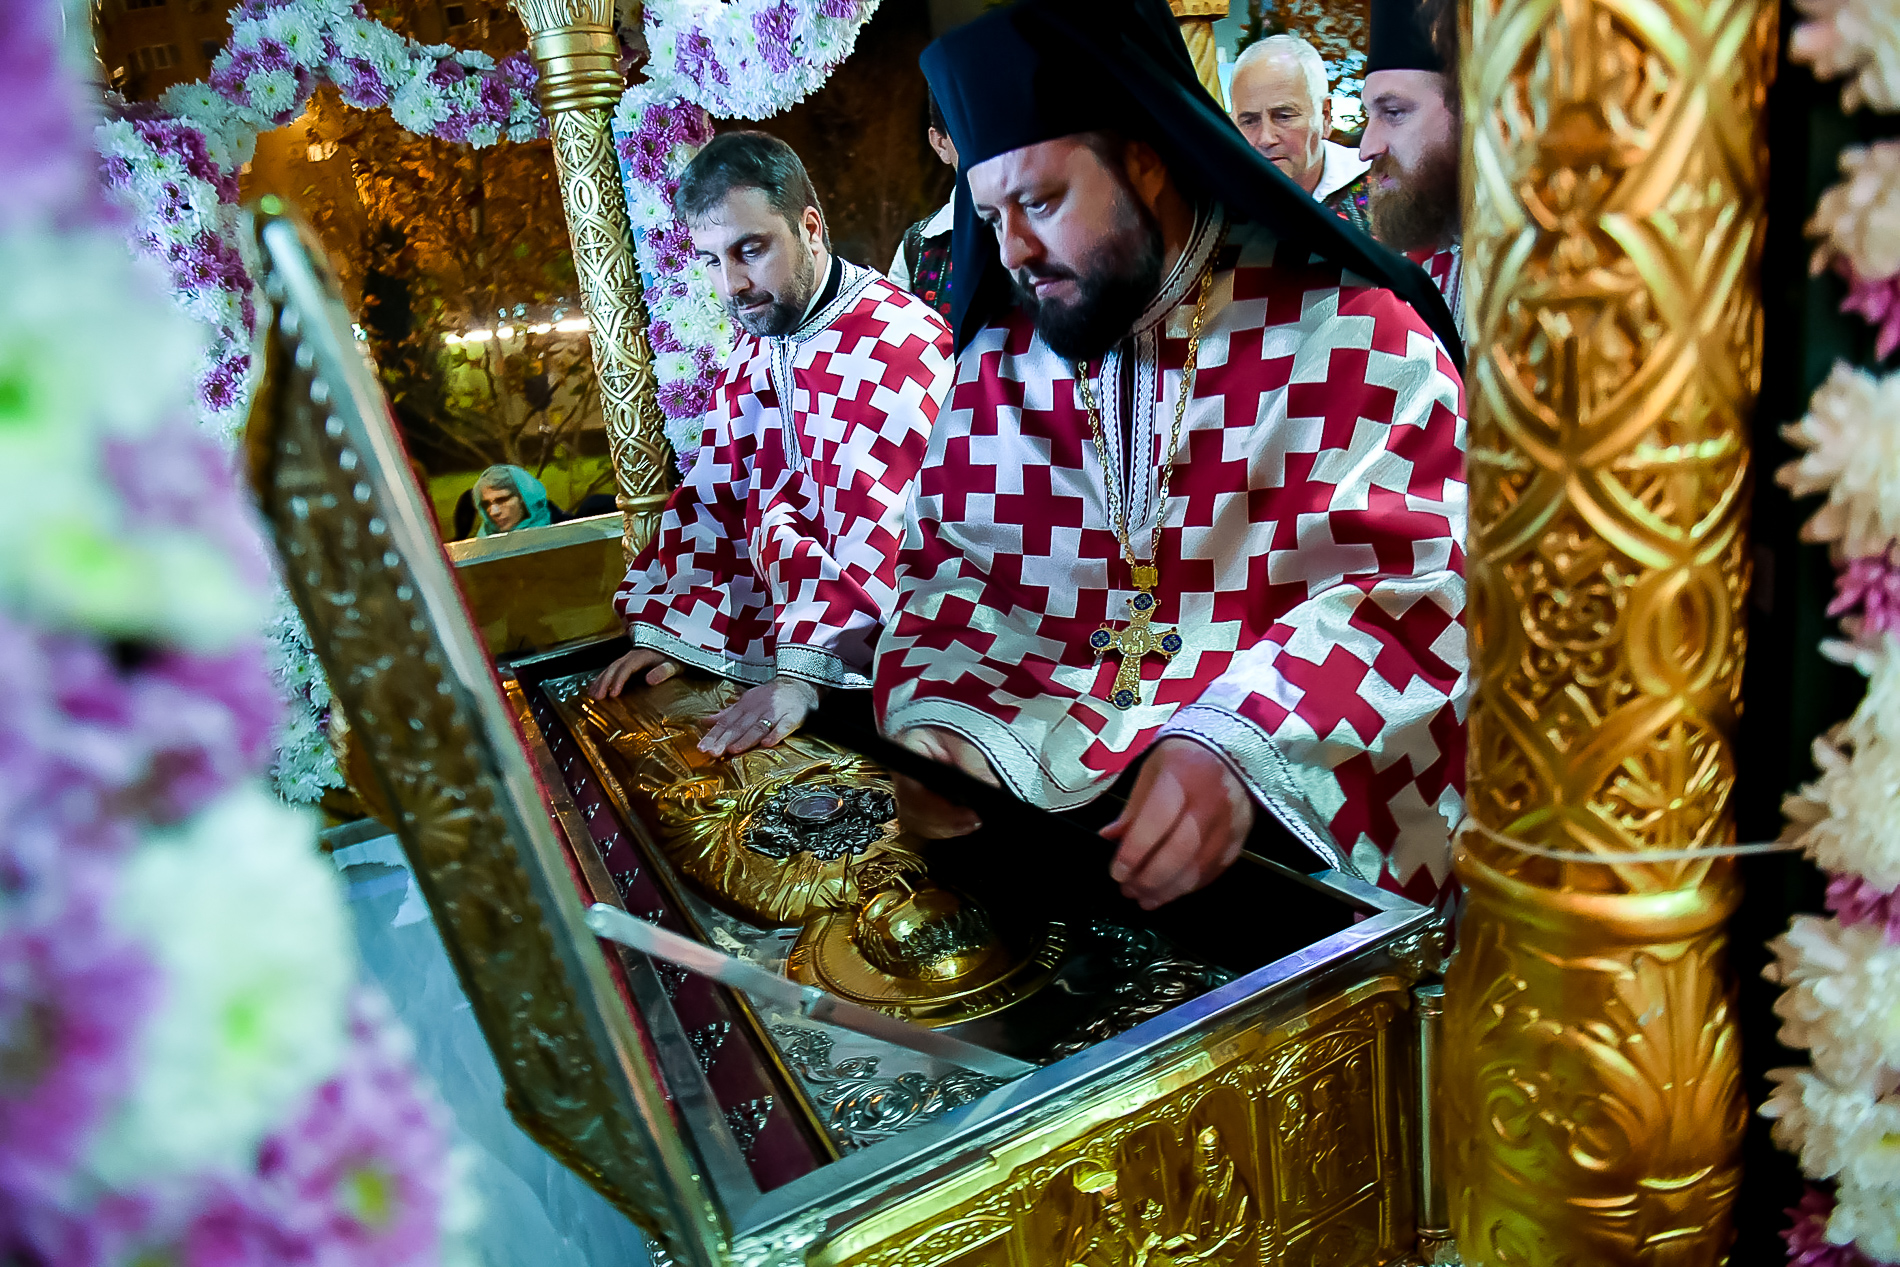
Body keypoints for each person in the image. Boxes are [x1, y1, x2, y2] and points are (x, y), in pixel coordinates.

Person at [874, 0, 1467, 911]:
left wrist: (1239, 741)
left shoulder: (1350, 333)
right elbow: (952, 570)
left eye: (1041, 201)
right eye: (991, 216)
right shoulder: (1001, 360)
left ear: (1144, 161)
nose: (1016, 252)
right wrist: (938, 726)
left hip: (1289, 839)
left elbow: (1419, 590)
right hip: (1057, 833)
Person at [590, 132, 955, 759]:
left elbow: (891, 534)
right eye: (711, 260)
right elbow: (717, 500)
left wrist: (801, 675)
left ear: (810, 227)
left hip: (891, 670)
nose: (732, 285)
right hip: (787, 649)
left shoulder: (902, 342)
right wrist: (678, 626)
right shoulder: (755, 346)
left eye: (750, 250)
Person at [1359, 0, 1464, 326]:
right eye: (1369, 115)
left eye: (1393, 112)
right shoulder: (1397, 276)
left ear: (1470, 110)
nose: (1366, 148)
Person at [1228, 34, 1371, 232]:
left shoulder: (1382, 190)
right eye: (1249, 121)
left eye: (1284, 116)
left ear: (1325, 116)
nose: (1265, 139)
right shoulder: (1216, 201)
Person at [889, 91, 958, 320]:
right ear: (940, 143)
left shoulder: (1048, 228)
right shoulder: (917, 246)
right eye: (966, 128)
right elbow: (895, 338)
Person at [472, 464, 555, 535]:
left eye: (502, 500)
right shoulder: (483, 541)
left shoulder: (559, 528)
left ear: (522, 497)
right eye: (486, 504)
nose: (494, 512)